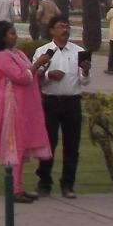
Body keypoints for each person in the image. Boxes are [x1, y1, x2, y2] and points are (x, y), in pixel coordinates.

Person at [0, 21, 52, 203]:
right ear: (2, 37)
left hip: (26, 108)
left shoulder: (19, 54)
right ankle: (14, 189)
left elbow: (30, 75)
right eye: (11, 33)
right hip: (12, 108)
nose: (15, 36)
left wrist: (41, 71)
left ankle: (19, 187)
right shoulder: (1, 57)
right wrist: (37, 64)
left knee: (21, 148)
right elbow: (21, 77)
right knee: (14, 147)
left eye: (15, 33)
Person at [33, 17, 89, 199]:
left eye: (67, 26)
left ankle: (68, 184)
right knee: (48, 144)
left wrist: (86, 71)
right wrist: (50, 75)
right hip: (50, 102)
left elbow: (84, 81)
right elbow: (35, 78)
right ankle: (44, 183)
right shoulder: (43, 52)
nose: (65, 29)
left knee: (72, 145)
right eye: (61, 26)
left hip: (72, 102)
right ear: (52, 30)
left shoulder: (79, 51)